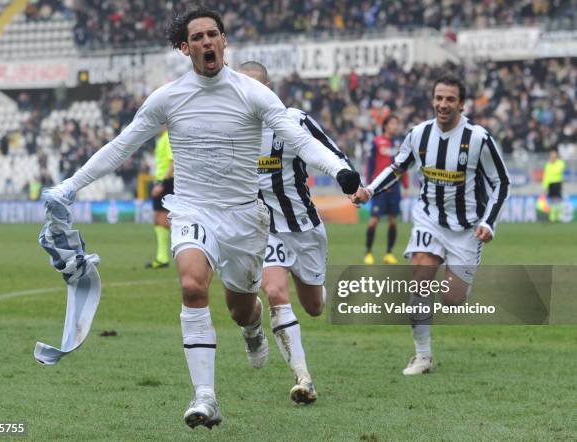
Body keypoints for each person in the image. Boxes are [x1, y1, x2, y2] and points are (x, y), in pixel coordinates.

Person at [51, 7, 361, 429]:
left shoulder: (252, 93)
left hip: (244, 219)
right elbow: (122, 146)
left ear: (224, 40)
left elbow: (299, 140)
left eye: (213, 34)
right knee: (192, 285)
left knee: (241, 308)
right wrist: (71, 185)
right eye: (197, 37)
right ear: (185, 48)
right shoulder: (169, 97)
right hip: (193, 209)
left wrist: (340, 171)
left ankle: (252, 329)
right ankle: (205, 397)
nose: (207, 42)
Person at [353, 73, 510, 376]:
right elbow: (398, 168)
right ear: (433, 100)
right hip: (429, 219)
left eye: (450, 98)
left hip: (467, 229)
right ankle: (422, 356)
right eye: (439, 97)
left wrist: (489, 223)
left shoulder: (478, 139)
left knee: (452, 299)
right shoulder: (419, 134)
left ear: (462, 104)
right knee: (420, 279)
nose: (443, 104)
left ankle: (454, 281)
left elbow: (501, 183)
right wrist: (369, 189)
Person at [239, 61, 358, 405]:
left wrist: (349, 181)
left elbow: (329, 152)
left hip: (304, 226)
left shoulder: (294, 121)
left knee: (315, 306)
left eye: (256, 88)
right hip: (264, 229)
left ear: (269, 89)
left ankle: (313, 291)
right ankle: (303, 378)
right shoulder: (231, 128)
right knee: (276, 293)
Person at [363, 114, 407, 265]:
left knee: (393, 221)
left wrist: (405, 184)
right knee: (373, 220)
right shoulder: (376, 142)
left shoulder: (400, 143)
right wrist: (369, 184)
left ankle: (389, 253)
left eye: (397, 123)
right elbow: (370, 163)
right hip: (379, 188)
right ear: (386, 125)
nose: (396, 126)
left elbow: (403, 166)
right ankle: (368, 252)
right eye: (393, 123)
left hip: (395, 189)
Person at [145, 127, 174, 269]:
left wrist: (163, 184)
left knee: (163, 219)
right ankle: (161, 257)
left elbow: (173, 162)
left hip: (167, 182)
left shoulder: (168, 137)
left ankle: (164, 258)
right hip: (162, 181)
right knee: (158, 218)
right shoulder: (162, 138)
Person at [542, 149, 565, 222]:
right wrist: (544, 186)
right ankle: (552, 218)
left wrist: (552, 164)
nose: (552, 157)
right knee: (551, 201)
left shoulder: (560, 163)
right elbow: (545, 176)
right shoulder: (548, 165)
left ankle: (558, 216)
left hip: (557, 183)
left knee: (558, 200)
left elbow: (558, 171)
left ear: (556, 156)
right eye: (551, 156)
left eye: (554, 156)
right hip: (550, 184)